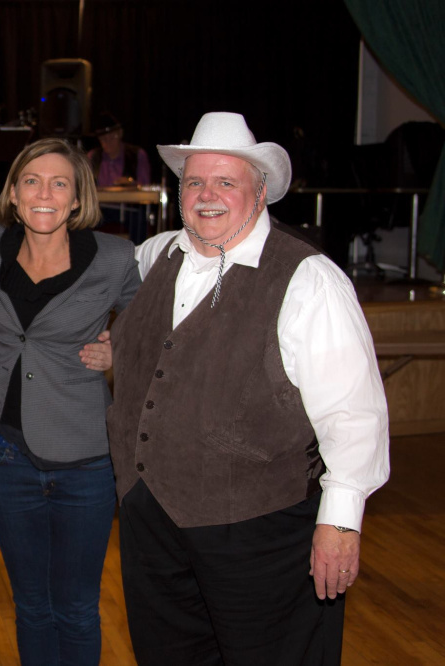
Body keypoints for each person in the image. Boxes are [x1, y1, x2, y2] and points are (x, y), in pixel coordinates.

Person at [106, 112, 391, 665]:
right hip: (152, 520)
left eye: (225, 182)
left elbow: (355, 413)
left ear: (259, 193)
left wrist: (340, 519)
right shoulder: (160, 253)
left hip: (260, 530)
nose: (207, 194)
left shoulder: (310, 279)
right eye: (194, 181)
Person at [0, 138, 141, 665]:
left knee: (78, 607)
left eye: (59, 183)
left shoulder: (114, 257)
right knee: (31, 605)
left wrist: (118, 352)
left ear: (77, 198)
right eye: (32, 182)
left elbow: (153, 325)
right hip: (3, 454)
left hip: (85, 460)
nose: (45, 193)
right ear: (14, 195)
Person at [87, 112, 152, 244]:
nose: (107, 142)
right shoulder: (93, 156)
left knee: (138, 219)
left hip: (129, 208)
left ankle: (136, 257)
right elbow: (85, 185)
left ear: (120, 134)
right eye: (103, 139)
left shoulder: (137, 154)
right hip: (101, 208)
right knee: (83, 219)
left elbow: (145, 187)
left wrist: (131, 184)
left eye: (112, 137)